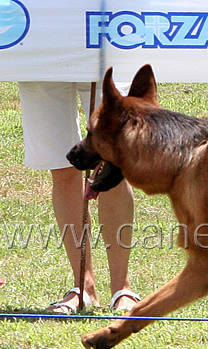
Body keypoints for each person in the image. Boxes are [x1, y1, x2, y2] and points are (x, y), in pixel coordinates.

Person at [18, 81, 139, 313]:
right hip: (42, 58)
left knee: (113, 164)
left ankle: (122, 289)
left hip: (106, 49)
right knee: (62, 166)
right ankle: (83, 287)